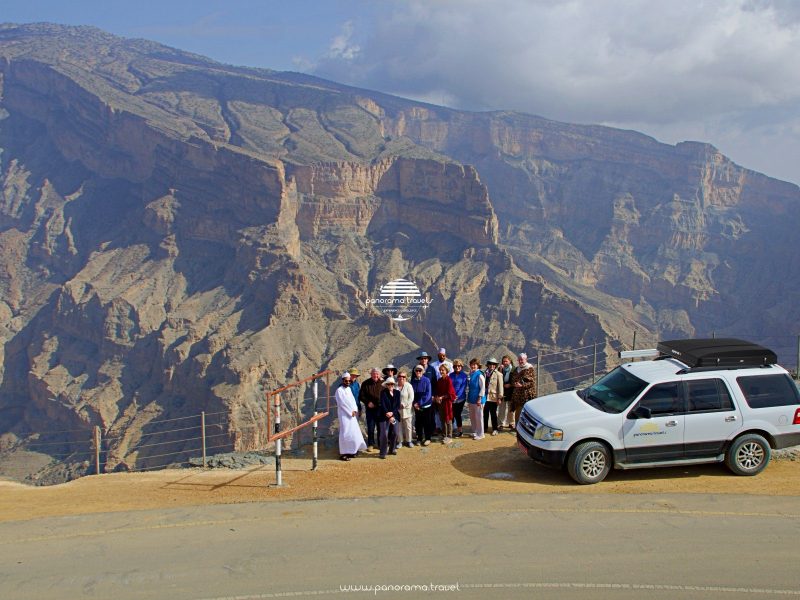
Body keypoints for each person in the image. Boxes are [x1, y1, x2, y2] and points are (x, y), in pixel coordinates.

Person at [335, 372, 366, 461]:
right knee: (345, 433)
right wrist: (350, 412)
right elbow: (342, 403)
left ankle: (352, 451)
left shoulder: (348, 389)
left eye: (349, 381)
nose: (348, 382)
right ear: (343, 380)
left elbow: (353, 401)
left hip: (352, 415)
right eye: (346, 381)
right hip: (344, 415)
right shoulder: (339, 390)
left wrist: (355, 410)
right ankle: (344, 453)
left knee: (353, 433)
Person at [358, 367, 383, 452]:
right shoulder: (365, 383)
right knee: (371, 427)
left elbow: (386, 395)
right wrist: (368, 402)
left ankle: (380, 444)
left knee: (380, 427)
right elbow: (361, 396)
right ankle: (371, 444)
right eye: (373, 373)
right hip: (370, 409)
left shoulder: (383, 383)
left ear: (379, 375)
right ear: (371, 374)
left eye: (377, 374)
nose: (375, 375)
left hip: (380, 409)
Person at [510, 352, 537, 427]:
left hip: (526, 395)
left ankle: (527, 428)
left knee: (526, 413)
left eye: (522, 360)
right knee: (518, 412)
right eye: (519, 360)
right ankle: (518, 427)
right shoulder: (516, 369)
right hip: (517, 396)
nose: (520, 361)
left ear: (526, 359)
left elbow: (532, 382)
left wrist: (522, 385)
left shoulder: (529, 368)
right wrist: (514, 384)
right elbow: (513, 379)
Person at [432, 363, 456, 443]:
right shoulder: (439, 380)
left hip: (447, 402)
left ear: (447, 371)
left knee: (448, 419)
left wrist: (442, 397)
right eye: (440, 370)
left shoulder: (448, 380)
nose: (441, 371)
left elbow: (451, 393)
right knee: (442, 419)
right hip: (440, 402)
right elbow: (437, 391)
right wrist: (437, 397)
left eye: (443, 370)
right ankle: (444, 435)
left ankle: (449, 436)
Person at [378, 377, 401, 458]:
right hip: (384, 416)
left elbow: (398, 405)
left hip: (394, 415)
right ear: (386, 385)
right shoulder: (383, 393)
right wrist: (387, 413)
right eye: (388, 384)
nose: (390, 385)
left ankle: (392, 449)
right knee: (384, 434)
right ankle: (382, 452)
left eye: (392, 384)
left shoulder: (397, 393)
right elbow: (382, 404)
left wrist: (392, 414)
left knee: (395, 432)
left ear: (394, 384)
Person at [410, 365, 433, 446]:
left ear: (423, 371)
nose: (418, 372)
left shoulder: (427, 380)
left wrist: (419, 403)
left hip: (426, 405)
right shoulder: (413, 382)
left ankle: (428, 438)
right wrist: (414, 403)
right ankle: (419, 438)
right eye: (417, 371)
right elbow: (411, 394)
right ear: (415, 372)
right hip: (417, 406)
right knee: (418, 423)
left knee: (427, 422)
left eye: (420, 370)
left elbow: (428, 394)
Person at [467, 358, 486, 440]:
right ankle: (475, 431)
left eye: (475, 364)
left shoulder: (480, 374)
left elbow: (483, 388)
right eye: (472, 364)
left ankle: (481, 434)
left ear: (478, 365)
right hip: (471, 399)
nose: (473, 366)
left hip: (478, 400)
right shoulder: (472, 374)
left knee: (479, 417)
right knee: (473, 416)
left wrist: (479, 398)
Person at [484, 357, 504, 435]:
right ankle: (485, 427)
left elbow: (500, 387)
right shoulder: (484, 373)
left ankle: (495, 429)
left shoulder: (499, 374)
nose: (492, 365)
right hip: (485, 396)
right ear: (488, 365)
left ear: (495, 365)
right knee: (485, 413)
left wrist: (499, 398)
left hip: (493, 397)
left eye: (494, 364)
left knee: (493, 413)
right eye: (490, 364)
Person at [449, 359, 468, 438]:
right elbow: (449, 386)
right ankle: (453, 430)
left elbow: (463, 387)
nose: (457, 367)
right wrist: (452, 396)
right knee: (452, 415)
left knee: (458, 414)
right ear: (453, 367)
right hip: (452, 398)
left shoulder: (464, 376)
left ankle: (460, 431)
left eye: (459, 366)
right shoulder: (451, 375)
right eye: (456, 366)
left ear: (461, 367)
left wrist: (457, 396)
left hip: (460, 399)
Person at [396, 370, 415, 447]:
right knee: (399, 426)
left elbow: (411, 398)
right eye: (400, 376)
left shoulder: (408, 386)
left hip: (407, 410)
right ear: (397, 377)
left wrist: (404, 404)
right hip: (397, 410)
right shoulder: (395, 386)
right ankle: (400, 441)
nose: (401, 378)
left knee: (408, 426)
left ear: (406, 378)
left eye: (403, 376)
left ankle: (409, 441)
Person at [498, 355, 513, 430]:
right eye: (503, 361)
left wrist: (510, 384)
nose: (505, 363)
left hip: (511, 391)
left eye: (506, 361)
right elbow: (498, 378)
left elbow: (516, 379)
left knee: (511, 408)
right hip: (502, 390)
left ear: (510, 361)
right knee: (502, 408)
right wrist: (500, 370)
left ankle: (511, 423)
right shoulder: (500, 369)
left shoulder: (513, 369)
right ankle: (501, 424)